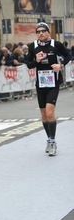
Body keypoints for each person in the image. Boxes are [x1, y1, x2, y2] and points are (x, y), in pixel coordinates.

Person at [26, 22, 71, 156]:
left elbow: (68, 56)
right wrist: (37, 61)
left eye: (43, 31)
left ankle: (52, 142)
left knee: (50, 113)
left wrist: (60, 64)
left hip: (53, 83)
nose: (41, 33)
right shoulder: (32, 46)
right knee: (44, 114)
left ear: (48, 33)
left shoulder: (56, 45)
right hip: (41, 84)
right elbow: (28, 64)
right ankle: (49, 139)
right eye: (38, 31)